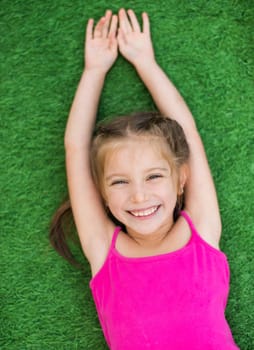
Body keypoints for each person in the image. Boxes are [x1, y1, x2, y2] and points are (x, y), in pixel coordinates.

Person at [50, 8, 239, 349]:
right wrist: (94, 71)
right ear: (102, 194)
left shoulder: (201, 230)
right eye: (120, 182)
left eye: (153, 176)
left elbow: (189, 135)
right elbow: (76, 149)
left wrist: (146, 64)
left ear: (182, 178)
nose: (139, 196)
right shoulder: (102, 249)